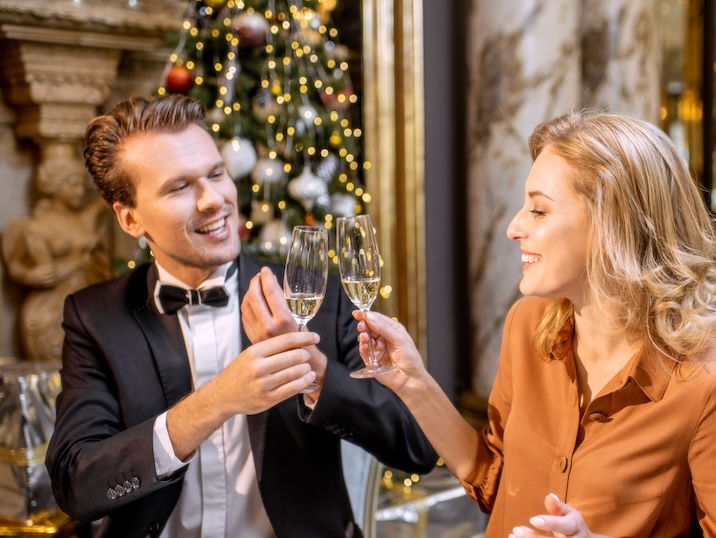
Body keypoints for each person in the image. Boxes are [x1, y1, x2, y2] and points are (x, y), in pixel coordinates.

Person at [353, 110, 716, 537]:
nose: (513, 227)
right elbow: (496, 482)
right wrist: (412, 383)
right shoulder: (527, 326)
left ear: (613, 225)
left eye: (538, 210)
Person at [45, 94, 437, 538]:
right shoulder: (95, 316)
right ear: (130, 218)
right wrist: (216, 401)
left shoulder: (315, 297)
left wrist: (313, 373)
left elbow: (419, 447)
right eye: (179, 187)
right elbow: (75, 485)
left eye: (216, 174)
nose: (214, 200)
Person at [1, 159, 109, 362]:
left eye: (81, 185)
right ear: (55, 186)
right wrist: (29, 274)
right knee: (59, 369)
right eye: (73, 185)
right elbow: (15, 263)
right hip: (52, 308)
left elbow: (105, 198)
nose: (80, 191)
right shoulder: (38, 228)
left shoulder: (83, 220)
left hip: (90, 300)